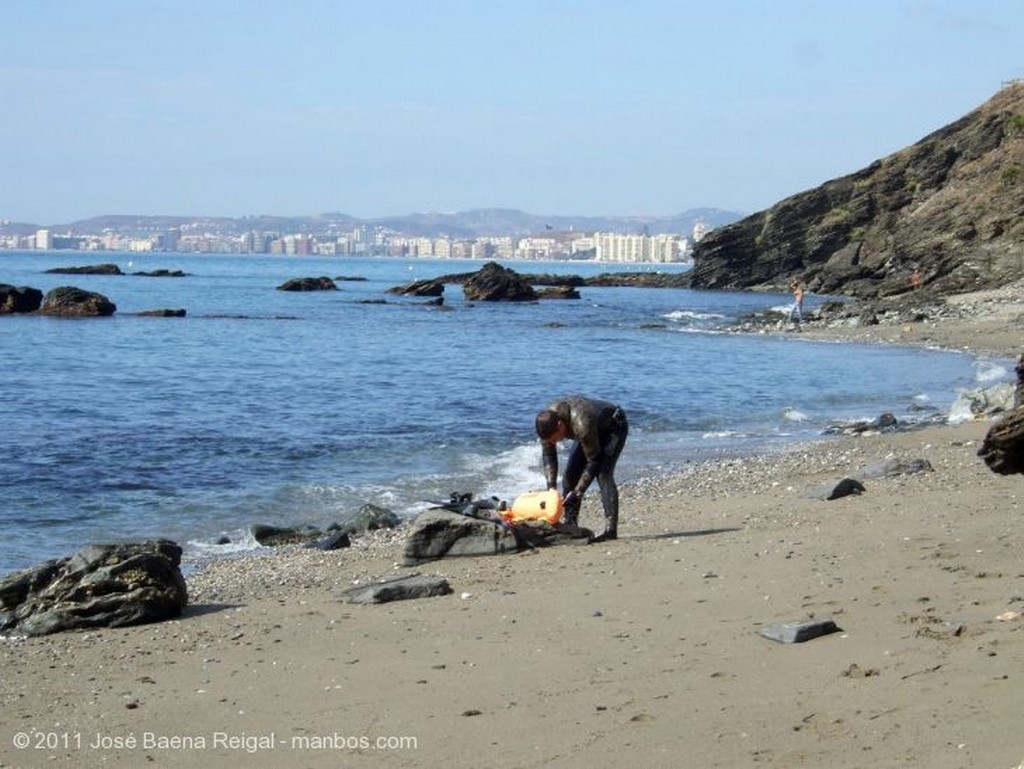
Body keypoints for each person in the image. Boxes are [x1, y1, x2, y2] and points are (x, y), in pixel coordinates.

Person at [534, 396, 628, 542]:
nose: (554, 443)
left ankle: (610, 531)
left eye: (555, 439)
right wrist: (551, 489)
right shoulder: (546, 424)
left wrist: (578, 492)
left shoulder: (581, 423)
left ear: (560, 425)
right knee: (570, 477)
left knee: (603, 474)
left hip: (612, 428)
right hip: (589, 432)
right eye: (550, 441)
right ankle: (570, 525)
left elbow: (594, 461)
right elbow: (549, 455)